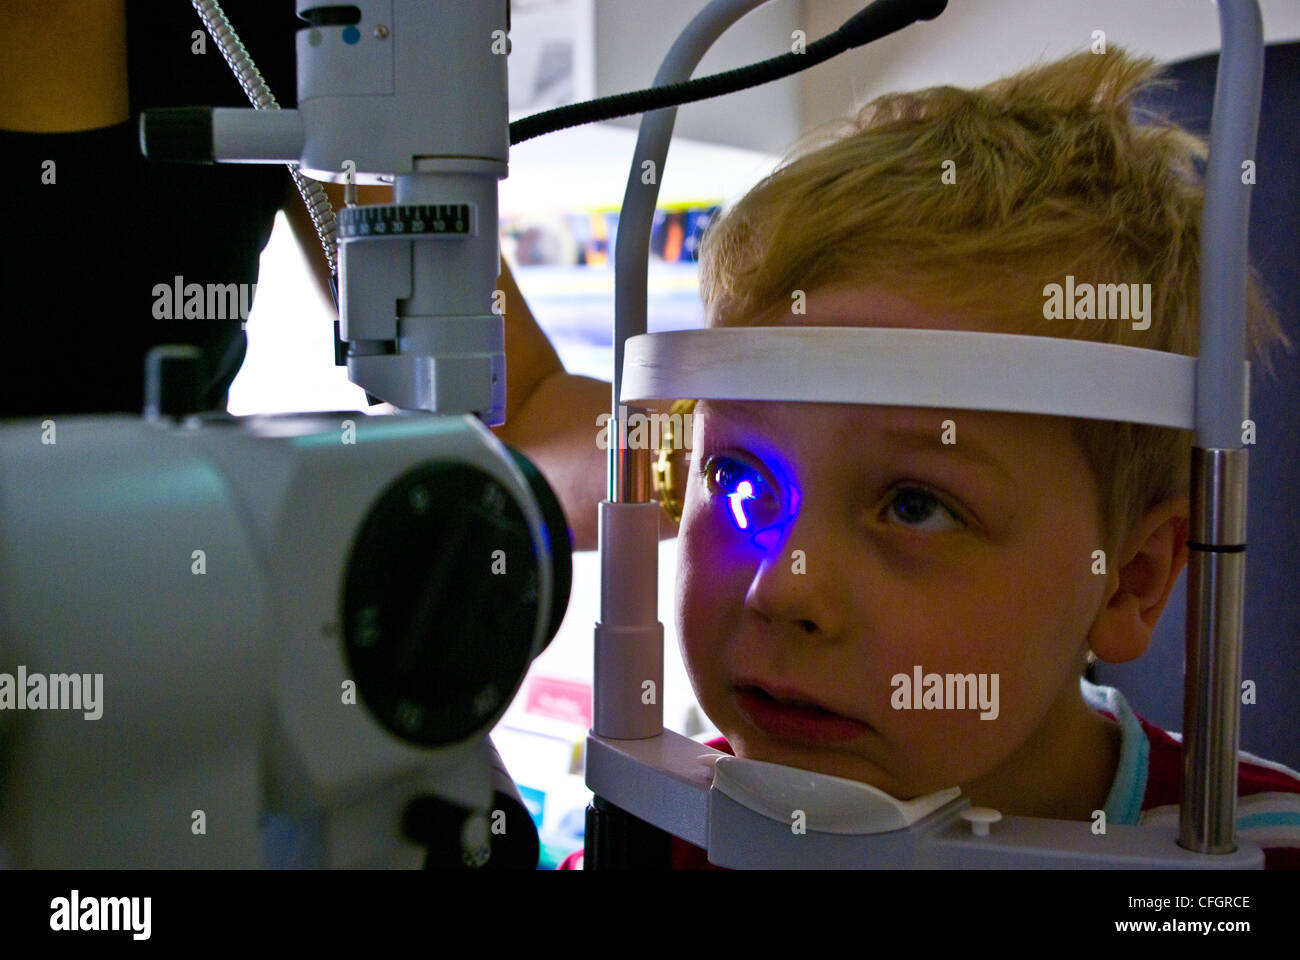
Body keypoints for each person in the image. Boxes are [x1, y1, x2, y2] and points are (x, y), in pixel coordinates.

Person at [536, 48, 1300, 869]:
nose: (783, 586)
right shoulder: (667, 824)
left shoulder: (1252, 851)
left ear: (1131, 578)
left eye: (915, 505)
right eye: (737, 479)